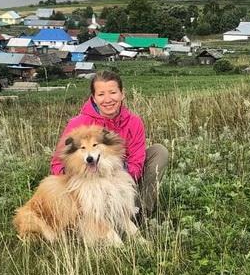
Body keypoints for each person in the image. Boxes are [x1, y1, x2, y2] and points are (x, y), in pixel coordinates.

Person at [50, 71, 168, 221]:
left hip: (121, 180)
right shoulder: (77, 124)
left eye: (113, 92)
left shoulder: (134, 122)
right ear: (93, 98)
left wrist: (117, 177)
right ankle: (92, 218)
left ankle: (139, 212)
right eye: (101, 94)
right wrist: (79, 177)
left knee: (159, 151)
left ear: (122, 94)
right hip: (88, 186)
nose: (108, 99)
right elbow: (57, 165)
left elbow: (136, 163)